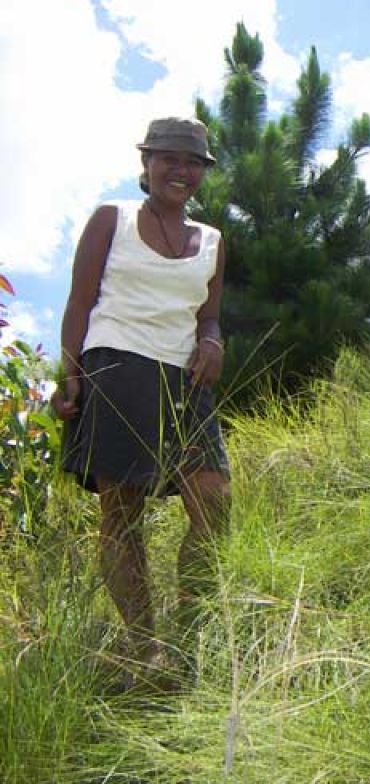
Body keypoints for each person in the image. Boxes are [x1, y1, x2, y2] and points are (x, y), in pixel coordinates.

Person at [52, 116, 231, 676]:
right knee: (122, 516)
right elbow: (80, 302)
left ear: (202, 172)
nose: (181, 171)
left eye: (193, 163)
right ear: (146, 164)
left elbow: (210, 319)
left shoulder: (213, 242)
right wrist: (70, 375)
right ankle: (145, 643)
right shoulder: (113, 219)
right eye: (169, 159)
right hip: (116, 367)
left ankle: (188, 634)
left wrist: (211, 342)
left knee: (215, 502)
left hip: (184, 383)